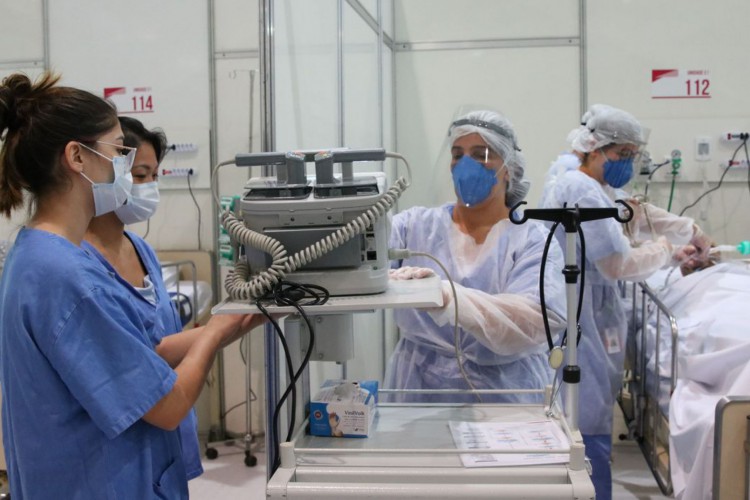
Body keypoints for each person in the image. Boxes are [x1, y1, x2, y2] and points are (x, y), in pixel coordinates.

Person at [0, 72, 262, 499]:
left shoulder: (35, 255)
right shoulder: (67, 275)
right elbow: (168, 406)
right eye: (119, 151)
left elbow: (139, 354)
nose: (126, 166)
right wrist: (212, 336)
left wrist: (233, 321)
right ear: (77, 157)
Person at [539, 104, 711, 500]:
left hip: (590, 305)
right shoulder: (580, 187)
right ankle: (591, 489)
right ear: (594, 148)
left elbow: (631, 210)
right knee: (588, 405)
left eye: (634, 155)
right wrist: (667, 250)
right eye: (623, 155)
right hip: (581, 309)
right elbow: (616, 263)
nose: (628, 163)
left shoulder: (591, 183)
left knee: (587, 402)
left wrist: (687, 231)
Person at [385, 109, 567, 404]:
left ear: (509, 168)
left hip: (507, 391)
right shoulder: (414, 227)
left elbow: (534, 321)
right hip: (419, 389)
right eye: (458, 155)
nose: (465, 165)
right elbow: (362, 264)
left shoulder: (532, 240)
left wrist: (449, 298)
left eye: (481, 154)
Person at [82, 116, 203, 481]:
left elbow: (160, 346)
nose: (149, 187)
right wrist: (214, 335)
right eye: (139, 175)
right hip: (117, 449)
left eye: (154, 176)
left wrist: (235, 320)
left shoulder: (141, 249)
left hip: (164, 439)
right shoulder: (78, 263)